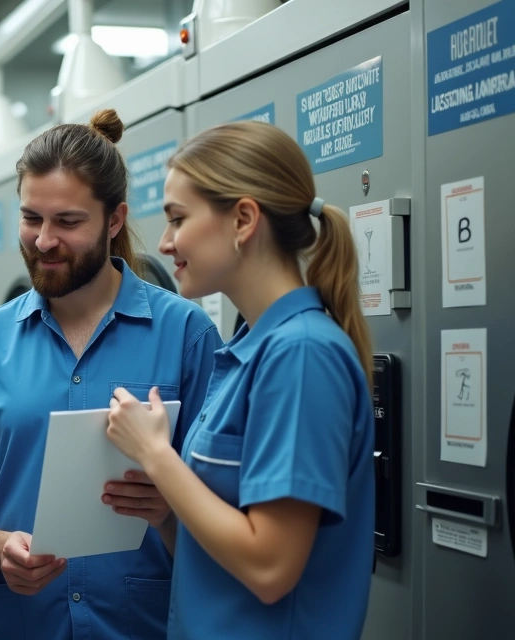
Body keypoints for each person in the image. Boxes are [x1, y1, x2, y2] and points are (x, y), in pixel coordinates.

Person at [0, 109, 222, 640]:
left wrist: (170, 509)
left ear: (114, 220)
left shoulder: (186, 333)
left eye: (68, 222)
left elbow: (229, 510)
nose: (44, 240)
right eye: (31, 218)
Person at [105, 120, 375, 639]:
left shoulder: (302, 356)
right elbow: (217, 556)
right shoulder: (247, 351)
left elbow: (270, 569)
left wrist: (158, 456)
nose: (164, 243)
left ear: (244, 219)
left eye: (177, 219)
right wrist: (166, 513)